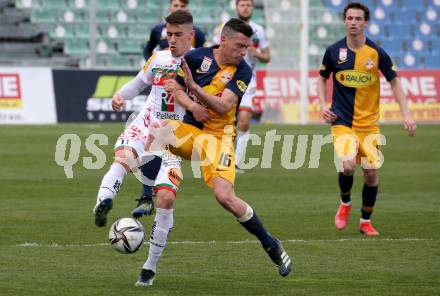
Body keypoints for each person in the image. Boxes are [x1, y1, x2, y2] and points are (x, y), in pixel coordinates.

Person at [136, 18, 292, 286]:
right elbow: (175, 88)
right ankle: (148, 196)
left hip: (219, 139)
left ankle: (270, 243)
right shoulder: (197, 57)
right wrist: (192, 105)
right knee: (156, 129)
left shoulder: (243, 71)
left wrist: (195, 90)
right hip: (192, 132)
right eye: (240, 46)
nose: (244, 52)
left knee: (224, 196)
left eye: (247, 47)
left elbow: (222, 107)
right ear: (225, 40)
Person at [93, 11, 205, 233]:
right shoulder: (158, 58)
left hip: (174, 131)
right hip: (146, 119)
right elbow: (138, 83)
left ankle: (147, 199)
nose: (172, 39)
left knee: (163, 192)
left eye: (177, 34)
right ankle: (102, 203)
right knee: (122, 159)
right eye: (169, 34)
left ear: (190, 35)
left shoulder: (201, 63)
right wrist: (119, 96)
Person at [317, 2, 416, 236]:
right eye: (349, 18)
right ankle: (345, 204)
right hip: (342, 121)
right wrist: (323, 105)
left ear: (366, 23)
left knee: (371, 172)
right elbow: (321, 78)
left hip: (369, 123)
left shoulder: (376, 53)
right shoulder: (333, 51)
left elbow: (394, 81)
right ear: (344, 21)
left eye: (358, 19)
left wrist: (406, 113)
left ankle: (365, 221)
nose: (353, 22)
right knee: (349, 165)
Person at [213, 0, 270, 172]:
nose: (245, 8)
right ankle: (220, 158)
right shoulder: (226, 27)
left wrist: (257, 54)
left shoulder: (259, 30)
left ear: (252, 8)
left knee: (244, 122)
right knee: (224, 123)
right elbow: (214, 48)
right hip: (226, 79)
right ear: (236, 7)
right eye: (242, 5)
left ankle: (236, 162)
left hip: (248, 81)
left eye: (248, 5)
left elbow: (267, 57)